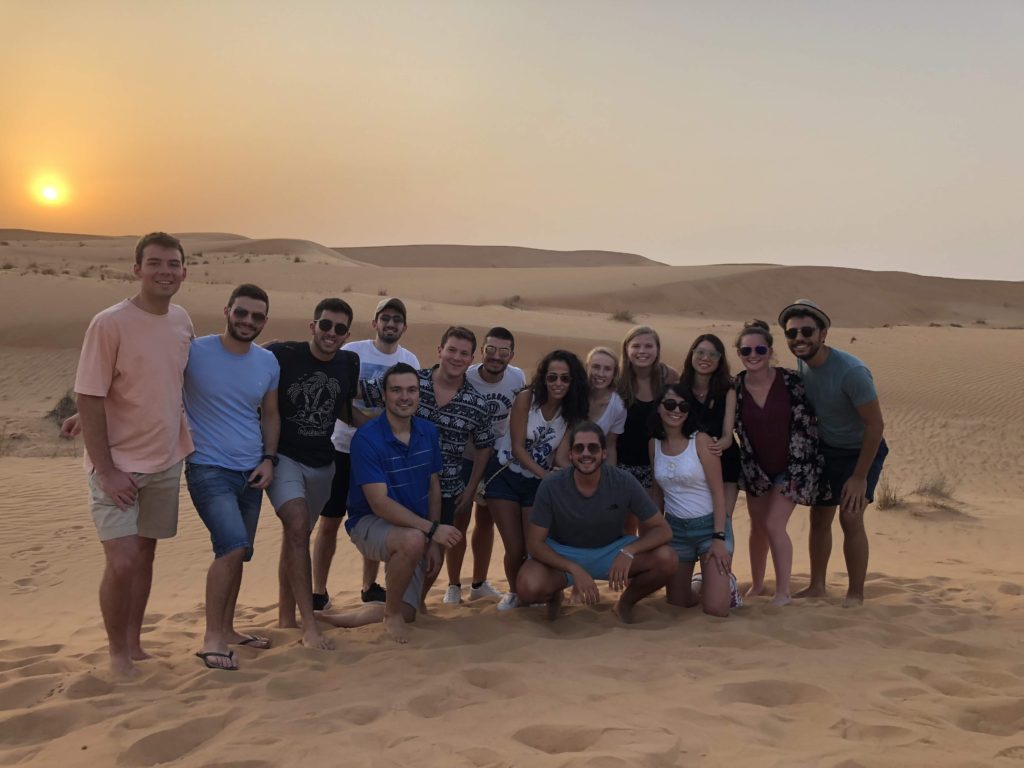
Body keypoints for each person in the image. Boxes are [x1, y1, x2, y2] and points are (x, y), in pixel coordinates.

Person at [73, 232, 193, 677]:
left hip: (165, 459)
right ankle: (116, 654)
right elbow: (88, 392)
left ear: (184, 271)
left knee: (145, 555)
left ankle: (135, 644)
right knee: (121, 561)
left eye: (173, 264)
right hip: (117, 466)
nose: (165, 271)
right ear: (137, 269)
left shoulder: (181, 320)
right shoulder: (110, 323)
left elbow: (169, 380)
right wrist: (105, 469)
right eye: (155, 263)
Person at [317, 363, 463, 643]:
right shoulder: (367, 438)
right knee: (411, 542)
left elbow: (434, 486)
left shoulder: (428, 432)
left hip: (415, 529)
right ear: (384, 395)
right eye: (396, 390)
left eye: (411, 390)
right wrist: (431, 532)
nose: (404, 397)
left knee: (409, 610)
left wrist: (432, 539)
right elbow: (379, 503)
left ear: (419, 395)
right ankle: (390, 616)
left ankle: (339, 618)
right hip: (370, 524)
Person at [183, 284, 281, 670]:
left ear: (264, 321)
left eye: (257, 316)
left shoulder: (267, 362)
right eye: (242, 313)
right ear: (227, 311)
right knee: (232, 547)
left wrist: (269, 459)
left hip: (252, 470)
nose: (248, 321)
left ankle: (227, 629)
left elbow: (270, 414)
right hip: (208, 466)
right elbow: (153, 385)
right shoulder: (195, 351)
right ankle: (211, 638)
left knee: (238, 553)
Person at [362, 327, 494, 603]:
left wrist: (470, 491)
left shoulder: (477, 403)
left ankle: (416, 604)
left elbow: (484, 445)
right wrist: (364, 430)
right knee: (401, 545)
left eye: (464, 353)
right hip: (397, 484)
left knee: (435, 550)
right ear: (440, 351)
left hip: (445, 489)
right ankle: (392, 604)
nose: (456, 358)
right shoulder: (410, 383)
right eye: (452, 350)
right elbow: (362, 391)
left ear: (472, 359)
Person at [779, 300, 887, 607]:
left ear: (823, 334)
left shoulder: (851, 372)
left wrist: (859, 477)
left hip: (861, 450)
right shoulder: (803, 361)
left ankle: (856, 594)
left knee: (851, 518)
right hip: (825, 449)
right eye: (792, 333)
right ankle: (817, 586)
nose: (799, 338)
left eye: (807, 331)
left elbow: (875, 425)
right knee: (819, 518)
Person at [313, 297, 419, 611]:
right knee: (329, 521)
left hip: (382, 456)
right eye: (385, 318)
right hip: (342, 448)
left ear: (404, 326)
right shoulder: (352, 353)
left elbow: (410, 402)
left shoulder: (409, 359)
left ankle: (370, 586)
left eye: (397, 319)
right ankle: (318, 591)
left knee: (378, 518)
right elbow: (335, 396)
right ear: (375, 322)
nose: (391, 324)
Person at [266, 298, 360, 649]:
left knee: (298, 533)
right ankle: (308, 625)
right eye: (325, 325)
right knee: (296, 523)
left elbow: (346, 411)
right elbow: (240, 360)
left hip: (325, 463)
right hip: (285, 457)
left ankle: (285, 617)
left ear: (347, 334)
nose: (330, 333)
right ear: (312, 326)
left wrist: (392, 428)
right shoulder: (280, 353)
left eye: (339, 328)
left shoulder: (349, 361)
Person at [515, 421, 677, 622]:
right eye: (579, 448)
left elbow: (663, 530)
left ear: (604, 453)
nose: (586, 453)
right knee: (526, 587)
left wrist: (629, 551)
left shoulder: (623, 481)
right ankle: (555, 595)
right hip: (563, 552)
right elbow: (535, 544)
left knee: (667, 559)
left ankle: (625, 603)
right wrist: (573, 568)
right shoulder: (551, 485)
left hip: (611, 551)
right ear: (571, 454)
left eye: (593, 447)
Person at [484, 349, 589, 611]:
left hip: (537, 486)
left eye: (565, 379)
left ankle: (539, 592)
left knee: (535, 547)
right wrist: (547, 477)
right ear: (543, 378)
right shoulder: (526, 399)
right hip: (505, 476)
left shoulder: (571, 413)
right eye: (552, 377)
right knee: (514, 546)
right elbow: (518, 447)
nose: (558, 384)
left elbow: (562, 457)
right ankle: (514, 592)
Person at [732, 320, 822, 607]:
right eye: (747, 349)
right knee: (757, 526)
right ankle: (758, 585)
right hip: (756, 469)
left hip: (793, 467)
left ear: (770, 351)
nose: (753, 354)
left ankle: (783, 591)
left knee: (773, 524)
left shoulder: (792, 381)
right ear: (739, 353)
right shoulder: (735, 387)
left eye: (760, 348)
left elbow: (820, 412)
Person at [445, 327, 527, 604]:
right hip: (463, 457)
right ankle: (454, 585)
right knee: (459, 518)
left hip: (497, 458)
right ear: (482, 352)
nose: (496, 357)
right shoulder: (465, 377)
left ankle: (478, 583)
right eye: (490, 350)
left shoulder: (517, 378)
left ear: (511, 355)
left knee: (487, 520)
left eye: (503, 352)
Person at [649, 384, 733, 617]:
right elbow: (657, 493)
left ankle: (727, 587)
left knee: (716, 608)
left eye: (683, 405)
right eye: (669, 404)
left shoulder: (701, 441)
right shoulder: (654, 444)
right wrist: (654, 532)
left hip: (710, 528)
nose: (676, 410)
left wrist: (719, 538)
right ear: (658, 408)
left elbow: (718, 493)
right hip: (676, 531)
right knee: (678, 602)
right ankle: (700, 583)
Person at [679, 334, 739, 519]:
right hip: (692, 468)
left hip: (725, 463)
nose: (706, 358)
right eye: (700, 352)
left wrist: (716, 446)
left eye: (713, 354)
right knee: (697, 521)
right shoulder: (680, 389)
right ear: (692, 354)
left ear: (720, 360)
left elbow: (727, 436)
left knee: (723, 523)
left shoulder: (727, 390)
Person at [616, 326, 679, 492]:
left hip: (661, 467)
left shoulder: (669, 376)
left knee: (654, 517)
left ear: (657, 350)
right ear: (626, 349)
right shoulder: (617, 381)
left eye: (648, 346)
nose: (642, 351)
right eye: (636, 346)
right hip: (623, 467)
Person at [586, 347, 626, 465]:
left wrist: (609, 477)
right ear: (587, 367)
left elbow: (610, 447)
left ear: (614, 374)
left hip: (593, 466)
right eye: (596, 367)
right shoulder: (574, 394)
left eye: (607, 369)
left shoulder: (618, 407)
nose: (600, 374)